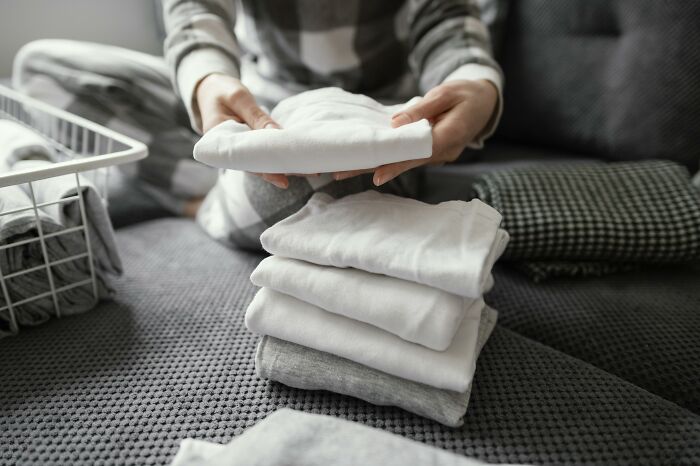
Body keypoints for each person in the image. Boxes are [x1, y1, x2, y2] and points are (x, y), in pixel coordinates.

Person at [13, 0, 502, 248]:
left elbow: (448, 19)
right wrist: (208, 80)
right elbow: (196, 11)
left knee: (335, 178)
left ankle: (226, 191)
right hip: (257, 105)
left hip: (370, 122)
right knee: (42, 69)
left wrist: (474, 82)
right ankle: (229, 191)